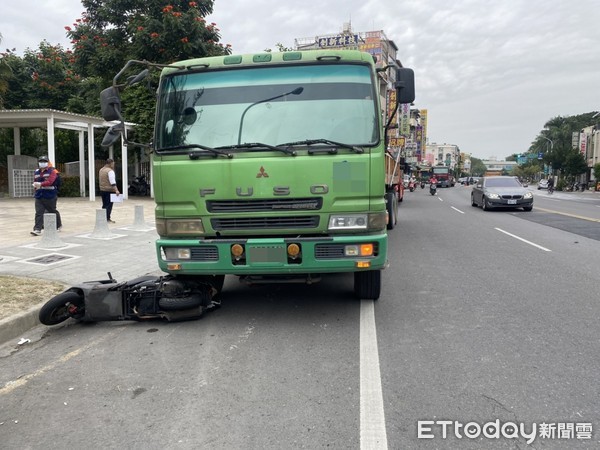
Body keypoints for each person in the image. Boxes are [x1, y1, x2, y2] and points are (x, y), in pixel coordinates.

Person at [31, 155, 62, 236]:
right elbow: (35, 180)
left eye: (44, 162)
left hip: (50, 195)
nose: (42, 163)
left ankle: (58, 225)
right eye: (41, 162)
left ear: (48, 163)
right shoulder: (37, 172)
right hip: (39, 195)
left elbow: (50, 181)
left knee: (52, 211)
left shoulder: (52, 171)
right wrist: (35, 186)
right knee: (39, 212)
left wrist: (40, 184)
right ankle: (37, 229)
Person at [99, 158, 120, 223]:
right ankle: (107, 218)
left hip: (102, 189)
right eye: (113, 163)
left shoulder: (101, 170)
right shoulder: (110, 171)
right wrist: (116, 190)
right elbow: (112, 181)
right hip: (109, 190)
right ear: (110, 163)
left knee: (104, 204)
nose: (113, 165)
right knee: (109, 205)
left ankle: (102, 218)